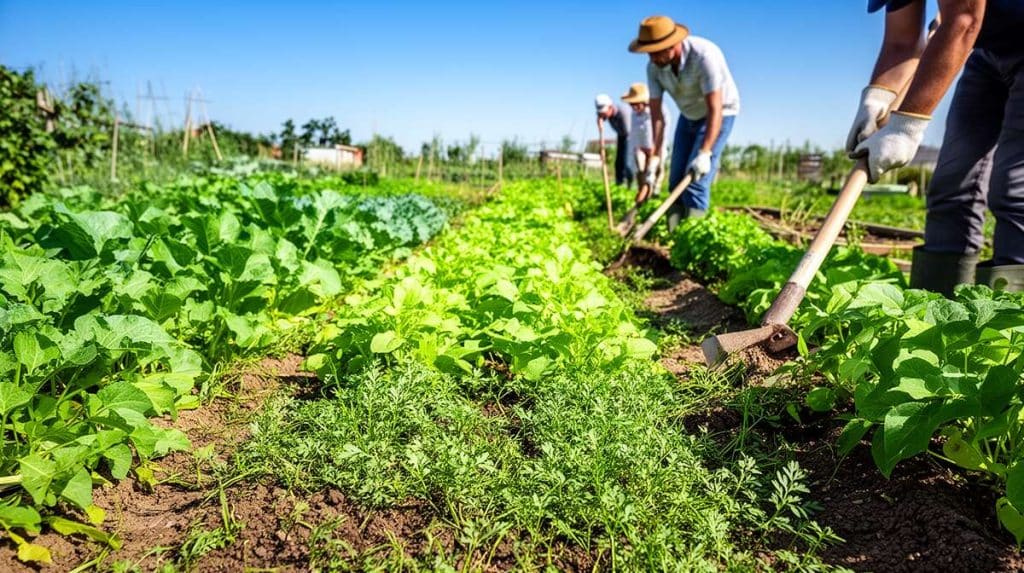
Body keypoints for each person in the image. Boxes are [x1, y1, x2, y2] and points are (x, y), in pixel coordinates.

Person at [848, 0, 1024, 295]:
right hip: (987, 51)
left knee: (1013, 192)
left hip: (980, 31)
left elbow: (965, 20)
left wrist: (905, 127)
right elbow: (901, 42)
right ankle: (934, 313)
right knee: (952, 185)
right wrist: (876, 97)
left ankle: (1008, 324)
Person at [628, 15, 740, 230]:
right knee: (675, 181)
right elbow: (657, 117)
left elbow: (715, 108)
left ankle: (694, 241)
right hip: (688, 116)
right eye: (649, 53)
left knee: (695, 182)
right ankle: (674, 236)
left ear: (672, 45)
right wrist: (655, 159)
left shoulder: (704, 56)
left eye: (656, 51)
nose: (652, 58)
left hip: (719, 114)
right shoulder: (654, 69)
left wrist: (705, 152)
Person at [621, 82, 669, 204]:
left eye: (636, 104)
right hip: (641, 148)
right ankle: (642, 200)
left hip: (656, 148)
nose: (634, 107)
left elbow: (662, 133)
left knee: (655, 174)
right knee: (641, 173)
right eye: (632, 105)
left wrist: (654, 156)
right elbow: (635, 135)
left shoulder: (659, 110)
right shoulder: (634, 114)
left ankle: (654, 197)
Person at [595, 94, 633, 186]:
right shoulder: (606, 114)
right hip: (621, 135)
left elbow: (628, 132)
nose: (602, 115)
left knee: (626, 162)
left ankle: (628, 184)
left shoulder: (624, 112)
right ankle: (619, 184)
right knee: (618, 163)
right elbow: (601, 118)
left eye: (603, 113)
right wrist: (599, 124)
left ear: (610, 107)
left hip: (630, 136)